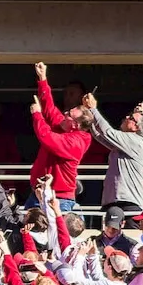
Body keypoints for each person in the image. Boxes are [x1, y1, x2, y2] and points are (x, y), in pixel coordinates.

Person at [28, 62, 92, 211]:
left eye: (69, 115)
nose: (65, 114)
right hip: (39, 193)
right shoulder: (65, 126)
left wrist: (37, 115)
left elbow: (46, 137)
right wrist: (43, 79)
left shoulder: (77, 142)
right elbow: (49, 109)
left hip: (59, 199)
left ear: (76, 125)